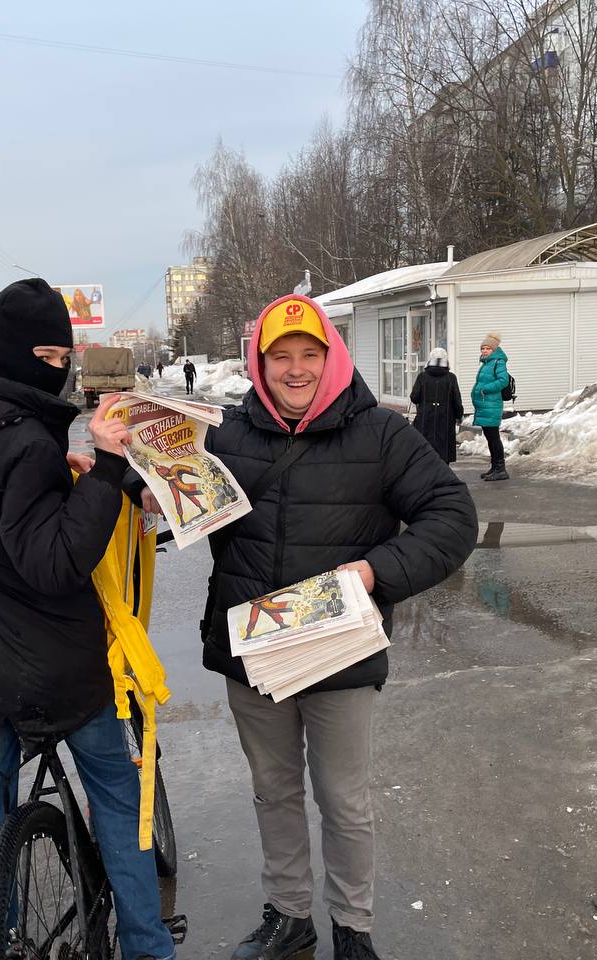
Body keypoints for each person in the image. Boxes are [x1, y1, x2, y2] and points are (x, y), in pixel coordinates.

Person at [0, 278, 176, 960]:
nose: (59, 369)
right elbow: (54, 563)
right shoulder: (22, 439)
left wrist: (51, 478)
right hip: (52, 665)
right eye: (49, 357)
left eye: (64, 357)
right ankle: (147, 946)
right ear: (16, 351)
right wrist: (103, 469)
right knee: (117, 793)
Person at [202, 294, 478, 960]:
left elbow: (452, 516)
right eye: (280, 356)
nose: (295, 369)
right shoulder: (227, 434)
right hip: (254, 646)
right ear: (259, 364)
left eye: (310, 354)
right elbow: (174, 493)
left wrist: (378, 571)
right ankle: (289, 915)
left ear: (332, 359)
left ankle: (353, 927)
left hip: (338, 648)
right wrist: (124, 471)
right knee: (273, 791)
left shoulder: (380, 435)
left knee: (344, 799)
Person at [409, 347, 463, 465]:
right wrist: (459, 415)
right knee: (444, 448)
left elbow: (414, 397)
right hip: (446, 418)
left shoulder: (422, 376)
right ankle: (443, 471)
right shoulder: (451, 377)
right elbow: (456, 399)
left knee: (425, 445)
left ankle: (426, 469)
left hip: (425, 417)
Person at [471, 332, 511, 481]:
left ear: (494, 350)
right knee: (490, 437)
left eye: (488, 348)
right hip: (485, 405)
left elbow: (503, 380)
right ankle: (495, 467)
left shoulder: (498, 362)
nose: (484, 351)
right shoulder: (487, 363)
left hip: (492, 405)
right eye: (483, 348)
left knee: (493, 437)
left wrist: (485, 389)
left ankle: (500, 469)